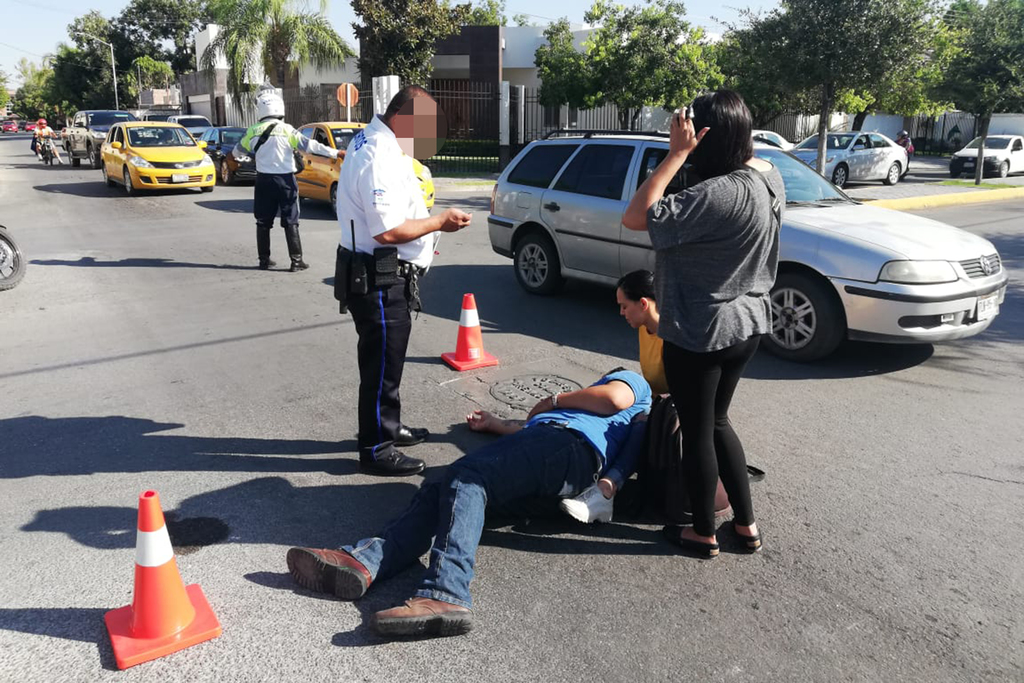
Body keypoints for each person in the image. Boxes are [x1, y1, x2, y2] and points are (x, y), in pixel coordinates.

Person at [286, 369, 652, 637]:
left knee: (468, 476)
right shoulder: (598, 417)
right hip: (558, 464)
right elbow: (529, 434)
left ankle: (447, 590)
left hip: (566, 447)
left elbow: (613, 399)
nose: (621, 310)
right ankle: (367, 561)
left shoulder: (630, 381)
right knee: (446, 491)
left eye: (624, 304)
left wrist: (553, 400)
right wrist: (495, 424)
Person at [622, 89, 783, 558]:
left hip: (701, 330)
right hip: (748, 323)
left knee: (696, 432)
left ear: (703, 135)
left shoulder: (716, 194)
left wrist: (676, 154)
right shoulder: (769, 177)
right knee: (717, 422)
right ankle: (746, 527)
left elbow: (635, 216)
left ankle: (703, 533)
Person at [335, 85, 473, 477]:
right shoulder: (379, 155)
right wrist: (440, 222)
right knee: (381, 367)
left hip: (380, 271)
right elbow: (388, 231)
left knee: (387, 362)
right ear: (402, 118)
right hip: (379, 275)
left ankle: (389, 427)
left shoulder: (375, 140)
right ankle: (376, 448)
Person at [559, 269, 665, 524]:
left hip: (673, 409)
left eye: (624, 306)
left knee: (638, 422)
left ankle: (605, 490)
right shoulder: (644, 328)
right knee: (610, 410)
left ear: (643, 304)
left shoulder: (672, 336)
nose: (621, 312)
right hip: (652, 400)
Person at [233, 87, 339, 271]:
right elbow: (311, 146)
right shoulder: (288, 130)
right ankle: (296, 261)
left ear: (261, 110)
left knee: (263, 221)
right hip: (286, 181)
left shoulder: (252, 131)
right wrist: (336, 152)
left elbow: (237, 152)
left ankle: (264, 261)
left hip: (263, 181)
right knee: (291, 220)